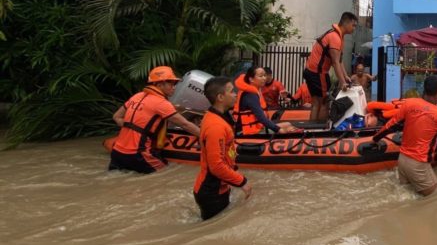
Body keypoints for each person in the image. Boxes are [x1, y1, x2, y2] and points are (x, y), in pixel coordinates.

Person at [109, 66, 200, 174]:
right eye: (171, 83)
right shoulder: (161, 103)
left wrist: (133, 129)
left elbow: (116, 116)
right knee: (166, 174)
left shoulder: (137, 96)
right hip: (138, 154)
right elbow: (185, 125)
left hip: (117, 152)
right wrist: (206, 135)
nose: (174, 87)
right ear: (159, 84)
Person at [372, 75, 437, 196]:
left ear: (423, 89)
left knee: (407, 194)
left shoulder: (409, 104)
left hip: (402, 161)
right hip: (419, 164)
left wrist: (375, 139)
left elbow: (390, 125)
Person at [194, 76, 252, 220]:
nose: (235, 94)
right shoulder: (216, 126)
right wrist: (242, 182)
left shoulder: (220, 116)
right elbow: (216, 165)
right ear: (220, 97)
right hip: (211, 191)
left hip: (218, 187)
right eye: (232, 91)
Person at [303, 12, 358, 122]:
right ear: (346, 23)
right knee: (324, 102)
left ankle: (313, 130)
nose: (354, 28)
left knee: (317, 103)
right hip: (317, 73)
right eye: (353, 25)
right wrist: (342, 83)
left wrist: (345, 76)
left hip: (312, 72)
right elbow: (335, 62)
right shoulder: (335, 37)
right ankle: (319, 130)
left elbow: (340, 60)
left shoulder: (338, 36)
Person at [232, 66, 298, 135]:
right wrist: (279, 130)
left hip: (258, 125)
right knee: (288, 128)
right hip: (247, 131)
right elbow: (261, 118)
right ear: (251, 79)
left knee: (288, 124)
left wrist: (287, 96)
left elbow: (288, 96)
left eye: (264, 75)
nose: (264, 78)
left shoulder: (256, 90)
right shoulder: (250, 95)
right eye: (261, 76)